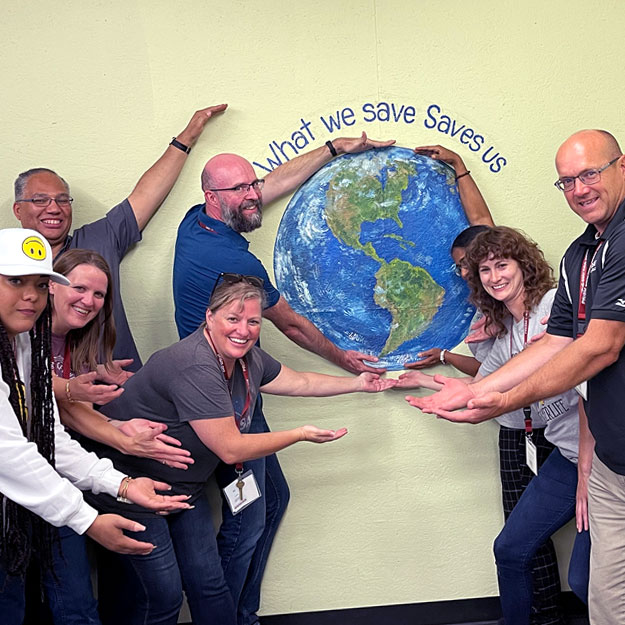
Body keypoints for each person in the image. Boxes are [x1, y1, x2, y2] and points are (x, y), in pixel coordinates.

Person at [173, 132, 396, 625]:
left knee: (273, 499)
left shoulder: (196, 225)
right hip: (220, 407)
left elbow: (267, 187)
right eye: (239, 190)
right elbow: (292, 325)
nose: (253, 194)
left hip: (244, 393)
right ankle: (226, 618)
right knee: (247, 519)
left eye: (252, 184)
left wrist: (333, 151)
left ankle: (242, 613)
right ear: (213, 197)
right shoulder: (235, 264)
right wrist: (348, 361)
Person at [84, 275, 396, 625]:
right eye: (233, 319)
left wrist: (356, 383)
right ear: (210, 318)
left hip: (184, 489)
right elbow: (231, 449)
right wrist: (300, 434)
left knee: (210, 585)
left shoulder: (248, 359)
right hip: (132, 486)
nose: (244, 330)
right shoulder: (195, 363)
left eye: (253, 321)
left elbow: (300, 382)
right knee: (162, 597)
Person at [0, 228, 192, 625]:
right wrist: (86, 519)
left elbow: (48, 435)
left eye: (39, 283)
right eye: (15, 281)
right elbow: (10, 452)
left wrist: (120, 484)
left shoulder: (22, 343)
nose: (31, 295)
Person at [399, 226, 589, 624]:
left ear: (524, 266)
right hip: (567, 456)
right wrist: (424, 381)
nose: (494, 276)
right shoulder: (504, 334)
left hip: (599, 457)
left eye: (502, 265)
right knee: (511, 549)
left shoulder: (556, 305)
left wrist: (588, 476)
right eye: (484, 269)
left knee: (586, 579)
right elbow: (483, 384)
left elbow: (591, 386)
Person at [13, 103, 227, 372]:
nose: (54, 208)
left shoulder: (97, 239)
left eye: (62, 200)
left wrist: (186, 138)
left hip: (120, 395)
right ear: (18, 209)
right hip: (42, 401)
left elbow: (146, 195)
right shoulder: (7, 267)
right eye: (40, 200)